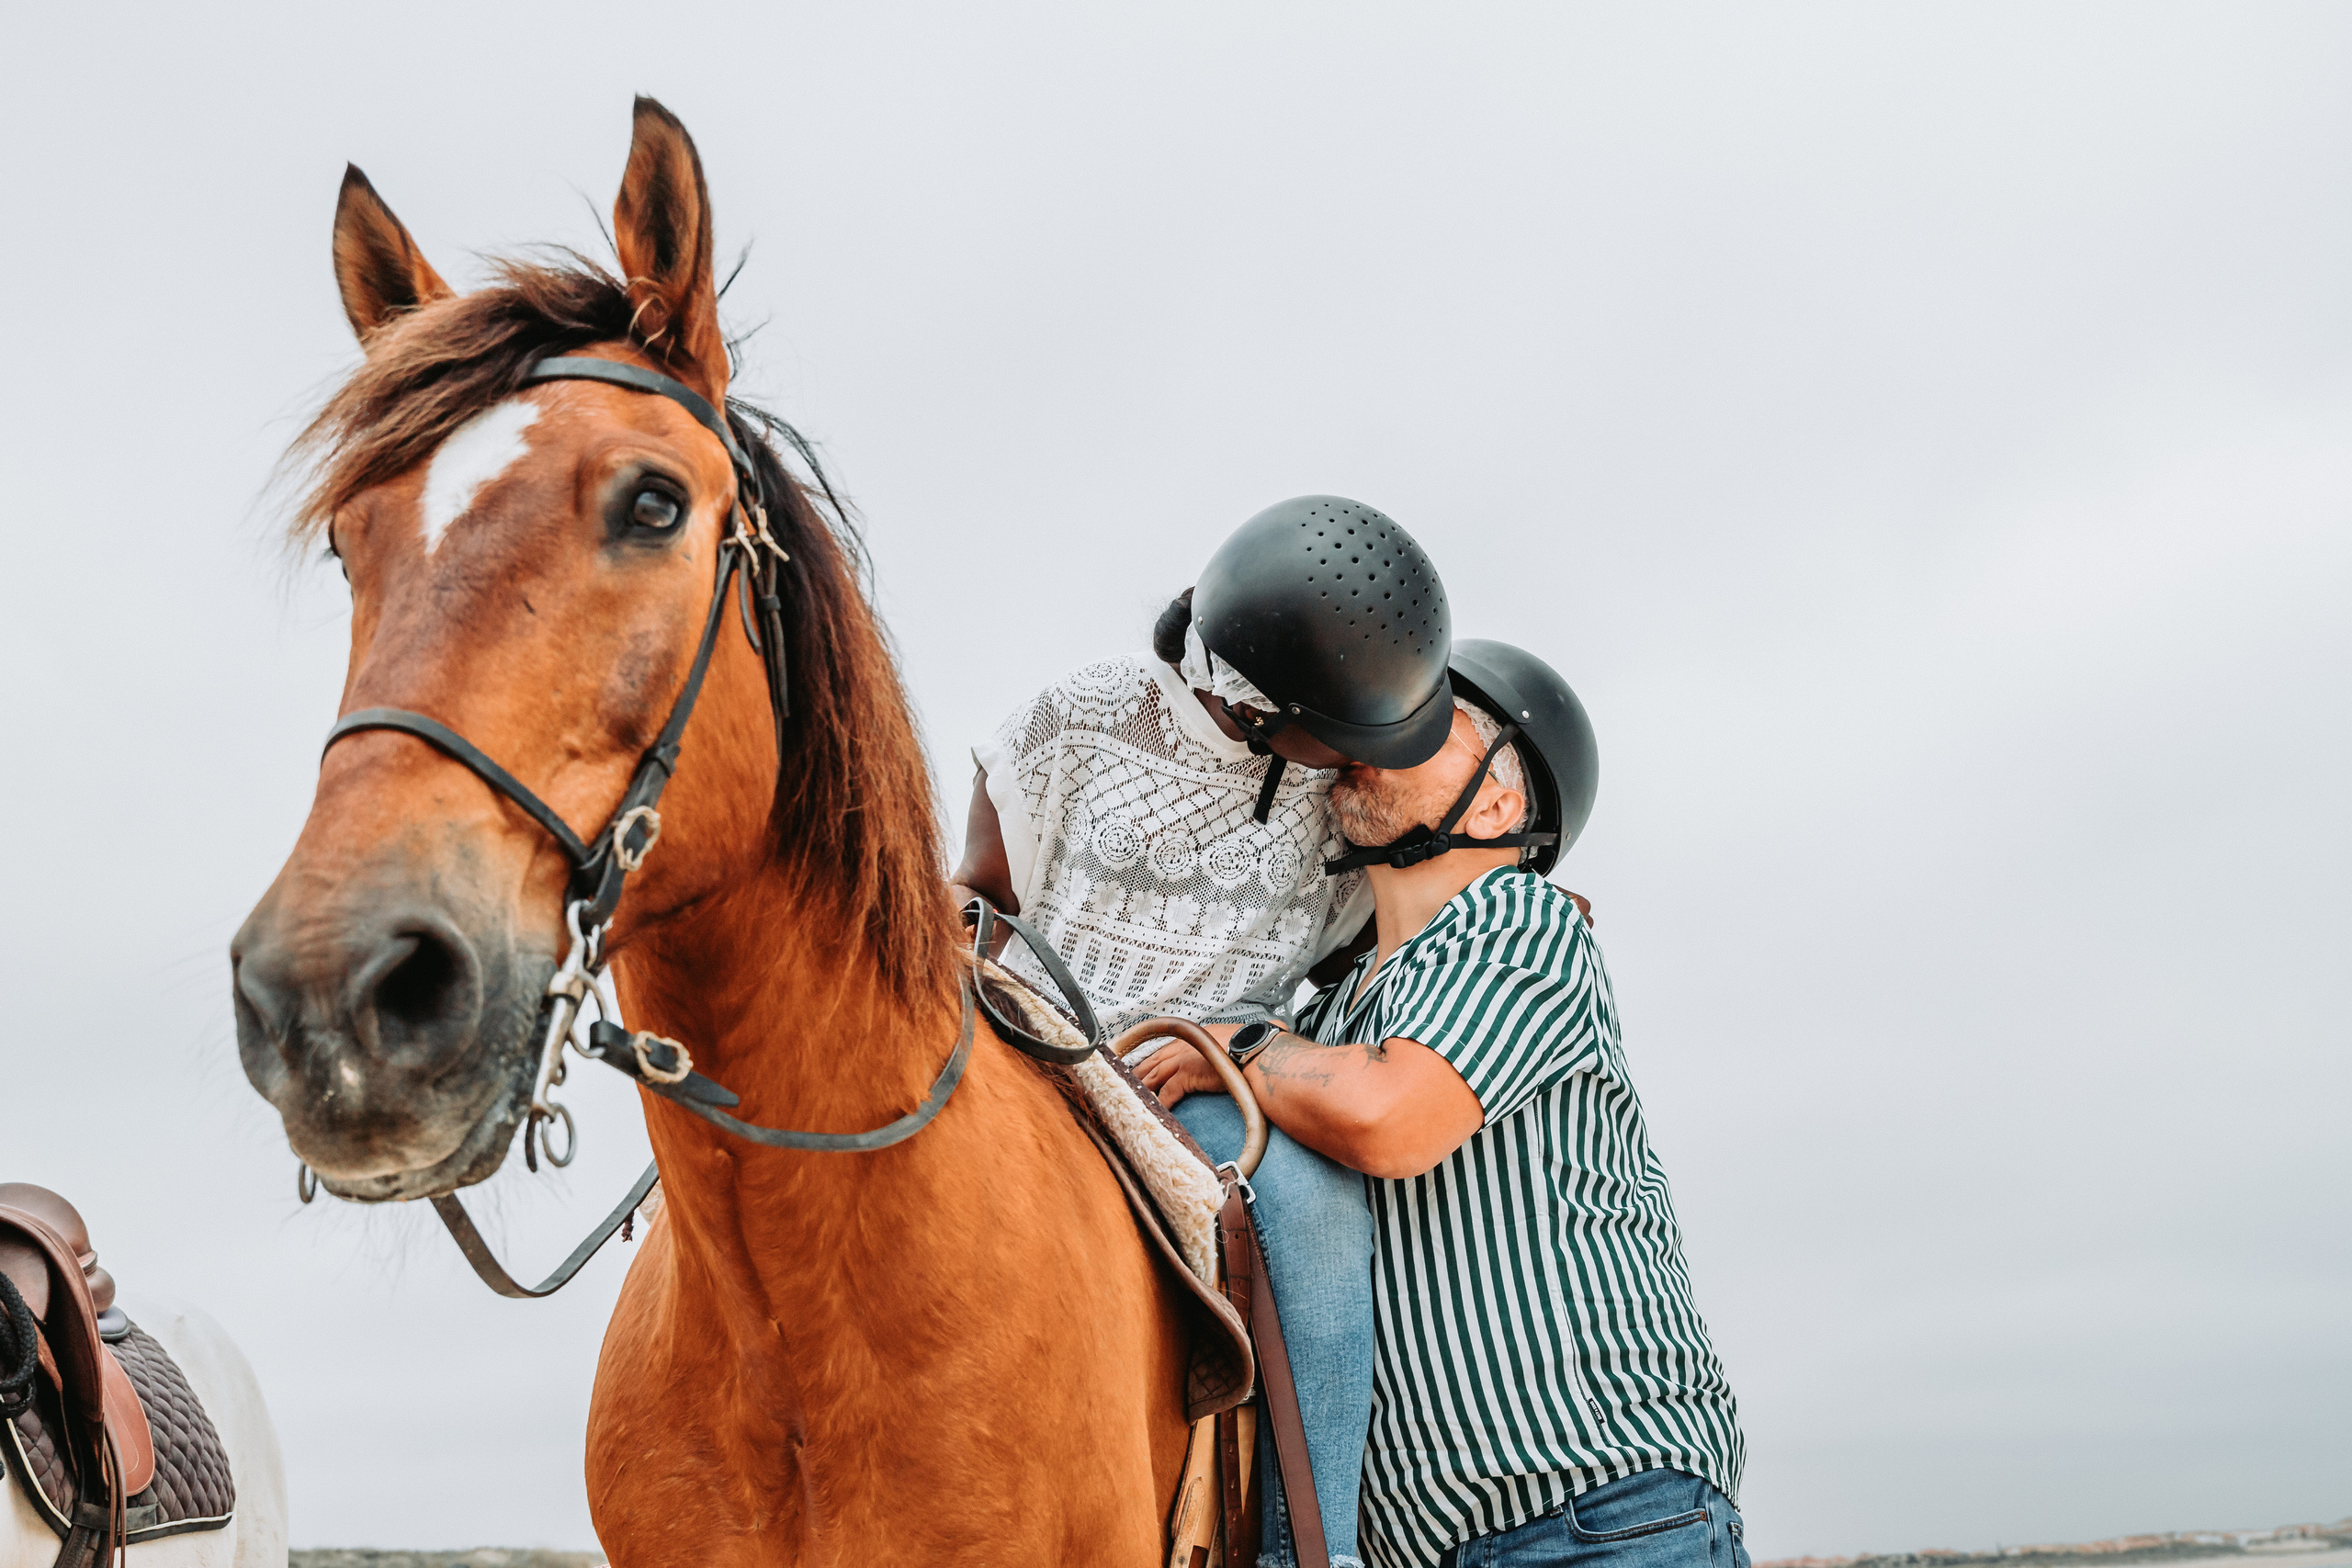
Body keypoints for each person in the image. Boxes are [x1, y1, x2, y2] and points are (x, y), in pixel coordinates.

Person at [1140, 639, 1748, 1568]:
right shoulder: (1329, 1020)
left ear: (1499, 804)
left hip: (1602, 1516)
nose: (1372, 735)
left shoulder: (1523, 921)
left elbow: (1391, 1117)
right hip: (1429, 1552)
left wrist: (1244, 1046)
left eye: (1424, 723)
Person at [948, 495, 1460, 1568]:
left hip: (1209, 1084)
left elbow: (1410, 896)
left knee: (1313, 1207)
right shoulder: (1073, 723)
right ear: (1263, 709)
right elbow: (978, 903)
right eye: (1344, 734)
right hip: (1039, 1064)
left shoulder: (1343, 788)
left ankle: (1307, 1549)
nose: (1359, 758)